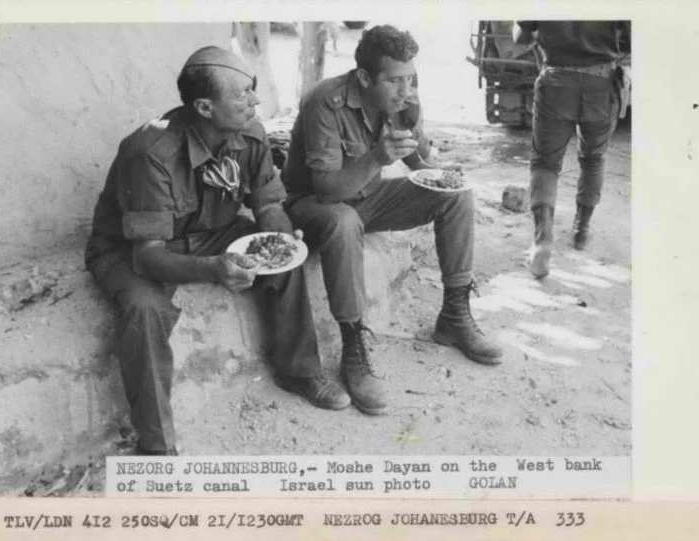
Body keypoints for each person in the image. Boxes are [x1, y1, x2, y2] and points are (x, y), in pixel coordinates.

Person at [85, 46, 350, 456]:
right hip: (133, 247)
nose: (255, 101)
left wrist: (280, 243)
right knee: (144, 309)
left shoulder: (251, 134)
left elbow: (267, 205)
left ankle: (298, 371)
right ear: (205, 107)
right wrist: (214, 269)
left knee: (281, 254)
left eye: (253, 90)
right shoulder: (151, 154)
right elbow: (148, 257)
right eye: (243, 93)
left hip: (211, 229)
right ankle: (157, 445)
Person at [281, 25, 503, 417]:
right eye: (396, 81)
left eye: (411, 79)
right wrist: (377, 159)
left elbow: (419, 163)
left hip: (369, 198)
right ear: (365, 78)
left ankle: (454, 315)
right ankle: (354, 350)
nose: (406, 90)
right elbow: (329, 190)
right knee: (345, 221)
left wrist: (439, 166)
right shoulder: (324, 103)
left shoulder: (403, 100)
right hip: (314, 205)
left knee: (455, 194)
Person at [513, 21, 631, 278]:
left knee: (545, 163)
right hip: (601, 82)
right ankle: (581, 230)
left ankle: (542, 241)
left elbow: (521, 37)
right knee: (593, 159)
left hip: (556, 80)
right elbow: (631, 38)